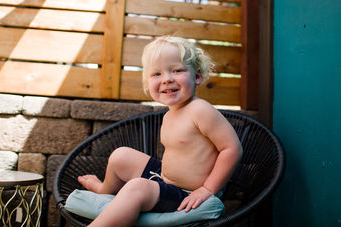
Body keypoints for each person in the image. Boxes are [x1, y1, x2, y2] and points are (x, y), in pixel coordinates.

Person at [78, 36, 243, 226]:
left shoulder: (201, 110)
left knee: (137, 187)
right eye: (156, 74)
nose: (167, 79)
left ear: (197, 76)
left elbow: (232, 149)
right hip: (164, 180)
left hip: (185, 194)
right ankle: (104, 191)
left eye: (177, 70)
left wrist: (207, 189)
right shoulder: (169, 115)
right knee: (120, 155)